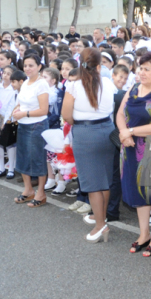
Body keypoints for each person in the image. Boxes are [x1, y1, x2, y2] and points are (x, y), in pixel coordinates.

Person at [116, 52, 151, 256]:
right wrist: (124, 133)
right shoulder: (133, 87)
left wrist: (129, 132)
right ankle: (144, 234)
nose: (141, 72)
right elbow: (120, 114)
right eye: (140, 68)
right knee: (137, 190)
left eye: (147, 69)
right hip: (130, 147)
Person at [61, 48, 116, 243]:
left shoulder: (73, 85)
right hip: (108, 130)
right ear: (99, 65)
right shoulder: (108, 82)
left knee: (92, 183)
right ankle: (101, 216)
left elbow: (66, 115)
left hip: (86, 132)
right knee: (104, 178)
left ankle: (101, 225)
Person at [12, 53, 50, 208]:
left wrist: (24, 113)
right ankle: (28, 190)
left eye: (31, 65)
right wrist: (16, 111)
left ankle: (41, 193)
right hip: (23, 124)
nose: (27, 68)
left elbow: (43, 110)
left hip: (37, 126)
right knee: (22, 157)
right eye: (25, 65)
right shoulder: (26, 82)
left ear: (39, 67)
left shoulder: (42, 84)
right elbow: (21, 102)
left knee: (37, 159)